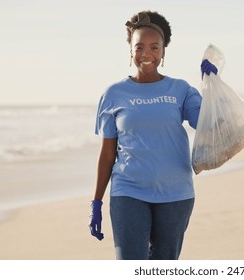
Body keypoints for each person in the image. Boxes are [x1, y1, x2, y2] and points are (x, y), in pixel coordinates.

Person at [89, 10, 218, 260]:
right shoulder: (113, 94)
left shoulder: (180, 89)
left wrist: (211, 85)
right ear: (130, 51)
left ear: (163, 52)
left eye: (154, 47)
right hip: (128, 190)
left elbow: (210, 125)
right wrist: (96, 202)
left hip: (176, 193)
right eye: (139, 47)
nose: (146, 54)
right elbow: (107, 154)